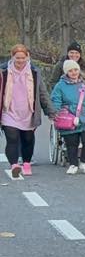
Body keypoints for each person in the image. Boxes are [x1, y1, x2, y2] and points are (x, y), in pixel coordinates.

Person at [1, 44, 54, 179]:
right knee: (12, 138)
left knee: (28, 139)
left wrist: (50, 111)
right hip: (9, 111)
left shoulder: (34, 72)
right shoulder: (3, 71)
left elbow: (42, 93)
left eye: (23, 58)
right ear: (12, 57)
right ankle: (14, 165)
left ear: (27, 57)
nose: (20, 61)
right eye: (17, 58)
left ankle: (26, 163)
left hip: (28, 111)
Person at [50, 60, 85, 175]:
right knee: (71, 143)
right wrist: (57, 113)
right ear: (66, 72)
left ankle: (84, 162)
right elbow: (56, 100)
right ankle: (73, 164)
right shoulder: (60, 86)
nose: (74, 72)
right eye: (70, 71)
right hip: (69, 116)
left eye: (75, 70)